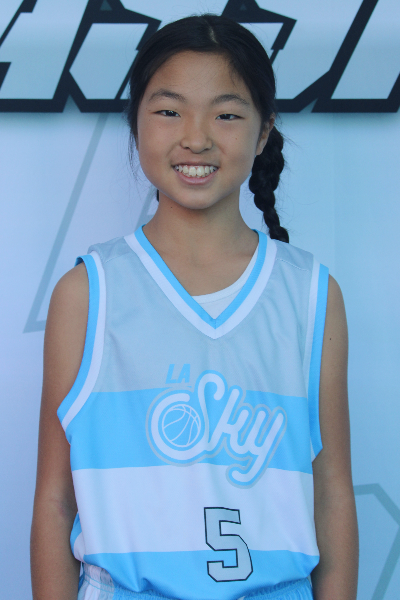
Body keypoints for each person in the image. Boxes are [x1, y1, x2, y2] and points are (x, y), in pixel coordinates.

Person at [30, 13, 358, 600]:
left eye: (226, 114)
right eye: (169, 111)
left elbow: (332, 494)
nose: (196, 137)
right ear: (135, 124)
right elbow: (55, 502)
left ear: (264, 131)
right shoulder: (86, 293)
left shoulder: (311, 293)